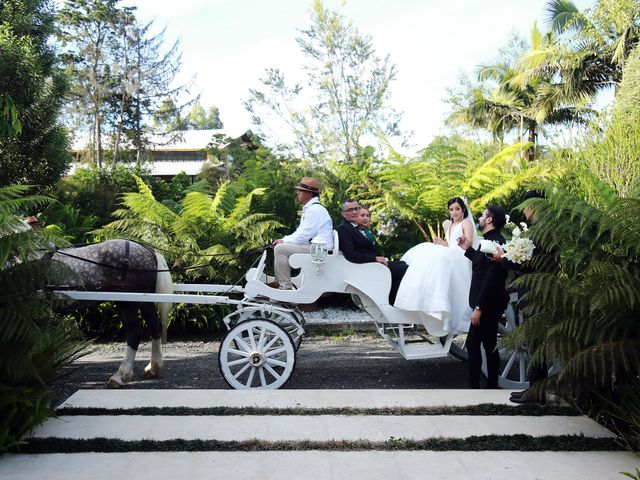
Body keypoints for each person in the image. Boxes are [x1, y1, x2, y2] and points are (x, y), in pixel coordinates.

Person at [491, 190, 548, 403]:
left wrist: (504, 259)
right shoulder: (540, 229)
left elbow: (532, 261)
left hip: (537, 288)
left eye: (526, 206)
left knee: (535, 339)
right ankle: (535, 389)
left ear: (534, 206)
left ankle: (536, 391)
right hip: (533, 287)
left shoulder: (542, 231)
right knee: (534, 339)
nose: (524, 211)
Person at [393, 197, 477, 334]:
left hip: (462, 255)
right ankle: (421, 296)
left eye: (457, 209)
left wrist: (463, 240)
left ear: (463, 209)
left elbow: (468, 243)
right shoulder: (449, 225)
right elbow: (450, 244)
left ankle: (438, 303)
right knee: (426, 248)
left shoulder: (466, 223)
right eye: (451, 209)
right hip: (451, 252)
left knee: (440, 258)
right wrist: (440, 242)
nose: (454, 212)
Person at [458, 204, 510, 389]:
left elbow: (492, 278)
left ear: (489, 220)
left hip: (488, 303)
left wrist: (479, 308)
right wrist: (468, 249)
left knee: (474, 344)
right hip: (490, 301)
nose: (479, 218)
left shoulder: (494, 243)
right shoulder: (490, 240)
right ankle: (491, 385)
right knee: (488, 344)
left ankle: (476, 387)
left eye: (482, 216)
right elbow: (482, 266)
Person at [336, 199, 408, 305]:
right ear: (344, 214)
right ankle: (393, 303)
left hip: (370, 263)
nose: (355, 212)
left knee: (403, 264)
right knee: (403, 269)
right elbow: (351, 255)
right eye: (351, 209)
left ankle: (395, 302)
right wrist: (375, 259)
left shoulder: (354, 228)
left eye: (356, 208)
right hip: (362, 267)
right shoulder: (343, 229)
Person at [272, 176, 334, 290]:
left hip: (320, 251)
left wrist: (284, 241)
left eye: (300, 190)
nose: (297, 193)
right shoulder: (312, 209)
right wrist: (284, 240)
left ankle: (285, 287)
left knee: (280, 249)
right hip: (315, 247)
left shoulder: (315, 210)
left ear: (309, 193)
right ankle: (278, 282)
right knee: (281, 246)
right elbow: (301, 233)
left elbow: (303, 236)